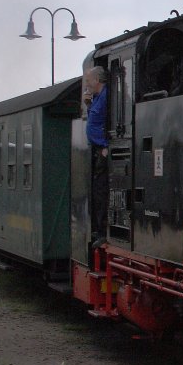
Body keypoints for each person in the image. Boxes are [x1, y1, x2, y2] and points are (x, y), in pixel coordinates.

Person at [84, 66, 109, 243]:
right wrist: (88, 105)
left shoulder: (107, 96)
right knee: (97, 190)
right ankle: (99, 230)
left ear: (97, 80)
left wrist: (107, 145)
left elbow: (111, 120)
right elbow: (96, 120)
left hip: (104, 150)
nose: (87, 84)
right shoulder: (97, 98)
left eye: (88, 81)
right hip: (98, 150)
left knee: (101, 191)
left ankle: (102, 231)